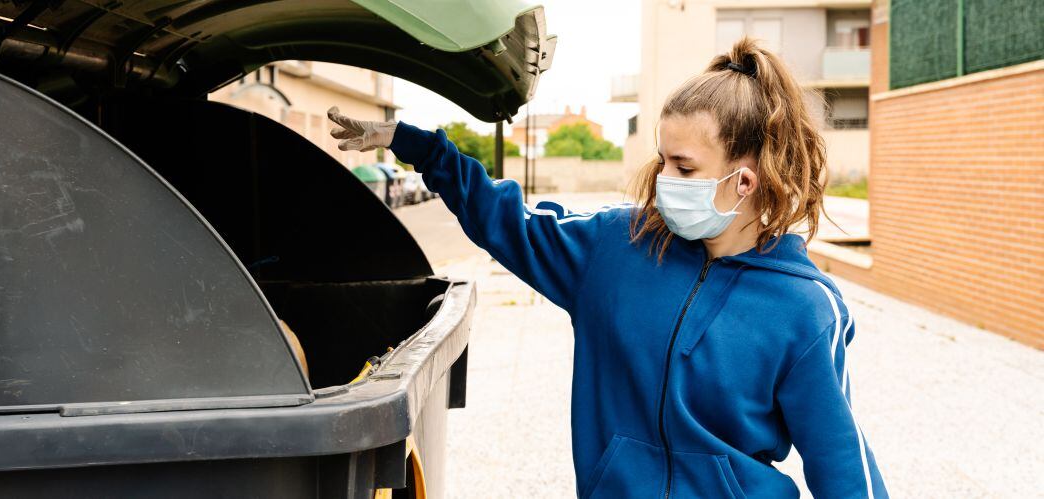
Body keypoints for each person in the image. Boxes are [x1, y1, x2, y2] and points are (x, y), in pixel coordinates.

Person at [328, 36, 887, 499]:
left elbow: (839, 457)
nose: (664, 179)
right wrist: (422, 149)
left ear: (744, 180)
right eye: (662, 158)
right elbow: (508, 221)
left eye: (684, 167)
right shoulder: (615, 247)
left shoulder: (806, 308)